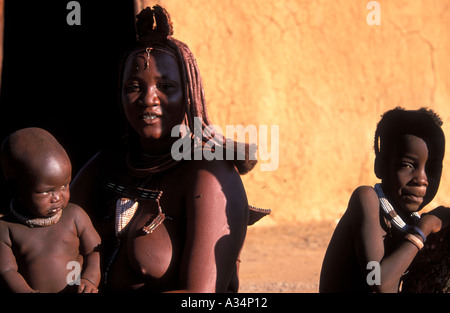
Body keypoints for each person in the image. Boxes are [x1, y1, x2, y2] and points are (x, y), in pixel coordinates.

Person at [70, 5, 266, 292]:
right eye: (134, 87)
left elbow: (200, 298)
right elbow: (47, 234)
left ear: (189, 94)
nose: (149, 99)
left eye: (166, 86)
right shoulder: (108, 163)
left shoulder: (208, 175)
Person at [319, 107, 450, 293]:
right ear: (380, 167)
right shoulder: (366, 200)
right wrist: (424, 228)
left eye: (432, 168)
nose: (421, 179)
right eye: (407, 165)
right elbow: (378, 282)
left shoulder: (408, 220)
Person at [0, 128, 101, 293]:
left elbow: (94, 251)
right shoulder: (6, 228)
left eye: (64, 185)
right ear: (15, 189)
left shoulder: (75, 216)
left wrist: (89, 280)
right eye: (46, 192)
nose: (57, 197)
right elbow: (7, 271)